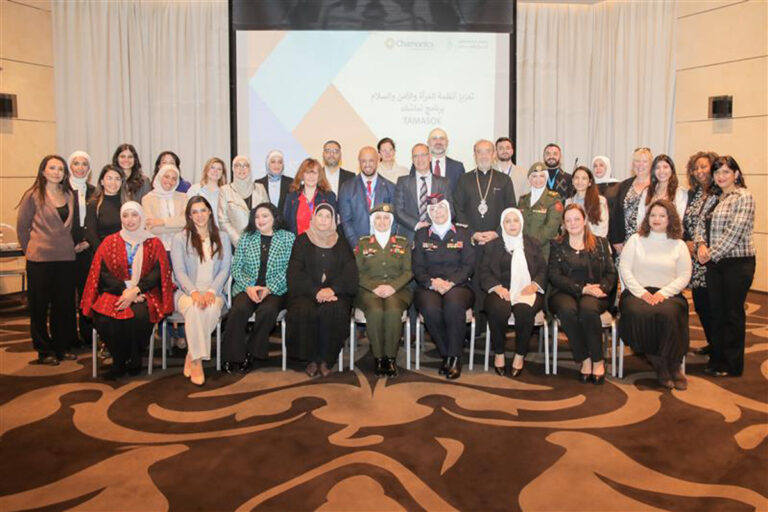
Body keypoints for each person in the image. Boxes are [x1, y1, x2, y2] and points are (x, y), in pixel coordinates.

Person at [80, 202, 174, 379]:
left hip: (145, 293)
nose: (130, 220)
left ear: (141, 217)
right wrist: (125, 291)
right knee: (104, 319)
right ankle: (119, 360)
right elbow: (103, 273)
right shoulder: (110, 242)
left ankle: (135, 358)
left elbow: (157, 273)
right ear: (121, 219)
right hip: (116, 291)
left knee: (139, 317)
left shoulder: (154, 242)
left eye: (134, 215)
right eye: (125, 216)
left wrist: (136, 291)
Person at [619, 200, 691, 390]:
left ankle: (674, 365)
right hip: (637, 292)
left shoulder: (679, 244)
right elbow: (625, 269)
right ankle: (659, 364)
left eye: (662, 215)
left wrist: (664, 293)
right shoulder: (635, 240)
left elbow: (684, 275)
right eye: (653, 215)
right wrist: (642, 292)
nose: (656, 219)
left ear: (670, 219)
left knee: (669, 314)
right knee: (639, 312)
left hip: (668, 294)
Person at [16, 155, 79, 365]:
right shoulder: (33, 195)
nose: (56, 172)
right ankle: (44, 350)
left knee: (63, 305)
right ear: (43, 171)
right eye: (52, 168)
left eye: (60, 169)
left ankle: (61, 347)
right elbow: (22, 228)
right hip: (39, 260)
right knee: (40, 307)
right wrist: (31, 250)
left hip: (65, 258)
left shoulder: (69, 195)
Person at [696, 156, 755, 378]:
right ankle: (717, 359)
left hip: (736, 264)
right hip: (714, 263)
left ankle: (732, 364)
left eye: (726, 172)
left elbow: (734, 232)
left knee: (732, 313)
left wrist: (709, 254)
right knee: (717, 312)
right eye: (717, 172)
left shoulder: (744, 197)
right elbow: (701, 224)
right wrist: (701, 245)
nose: (720, 176)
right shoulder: (714, 197)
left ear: (736, 174)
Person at [286, 204, 358, 377]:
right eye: (320, 215)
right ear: (313, 218)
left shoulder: (341, 242)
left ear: (333, 220)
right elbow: (295, 272)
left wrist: (333, 290)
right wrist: (316, 291)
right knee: (303, 310)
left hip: (335, 294)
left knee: (333, 311)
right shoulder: (302, 241)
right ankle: (310, 359)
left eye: (328, 216)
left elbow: (350, 273)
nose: (324, 220)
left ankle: (326, 359)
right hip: (307, 292)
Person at [548, 204, 617, 384]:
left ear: (584, 220)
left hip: (595, 292)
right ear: (563, 223)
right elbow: (554, 276)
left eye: (577, 219)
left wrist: (601, 288)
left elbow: (611, 273)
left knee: (588, 309)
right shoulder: (557, 244)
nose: (573, 223)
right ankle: (584, 358)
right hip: (565, 291)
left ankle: (598, 360)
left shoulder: (600, 243)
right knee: (566, 310)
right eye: (568, 220)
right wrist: (582, 288)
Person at [222, 202, 295, 373]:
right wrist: (249, 287)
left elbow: (289, 269)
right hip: (248, 288)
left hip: (276, 289)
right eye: (257, 217)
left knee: (267, 311)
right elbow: (236, 268)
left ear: (274, 217)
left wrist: (269, 288)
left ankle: (251, 352)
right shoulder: (246, 237)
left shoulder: (288, 238)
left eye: (265, 216)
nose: (260, 220)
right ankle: (232, 356)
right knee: (238, 310)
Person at [412, 195, 476, 380]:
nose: (437, 212)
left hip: (458, 285)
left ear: (448, 209)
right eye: (432, 209)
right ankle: (447, 353)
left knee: (454, 306)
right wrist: (433, 282)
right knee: (430, 309)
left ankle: (455, 358)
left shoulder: (463, 232)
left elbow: (469, 266)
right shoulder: (422, 235)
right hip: (429, 285)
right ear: (428, 213)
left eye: (440, 207)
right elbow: (417, 268)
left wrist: (451, 283)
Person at [170, 197, 231, 385]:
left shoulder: (223, 237)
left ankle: (191, 354)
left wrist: (211, 291)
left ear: (210, 212)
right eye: (194, 212)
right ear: (189, 216)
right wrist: (194, 292)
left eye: (203, 210)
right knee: (195, 309)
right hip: (186, 293)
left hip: (214, 292)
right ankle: (197, 362)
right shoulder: (180, 239)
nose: (199, 215)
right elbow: (179, 271)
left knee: (210, 309)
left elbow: (225, 269)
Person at [480, 208, 546, 377]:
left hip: (527, 289)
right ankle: (499, 353)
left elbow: (542, 270)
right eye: (507, 221)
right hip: (500, 290)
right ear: (502, 225)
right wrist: (497, 288)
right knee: (498, 309)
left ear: (521, 223)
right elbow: (484, 272)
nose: (512, 224)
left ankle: (520, 355)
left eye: (515, 220)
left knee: (524, 311)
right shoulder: (492, 246)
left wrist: (534, 285)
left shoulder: (533, 244)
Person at [354, 204, 412, 377]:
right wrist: (374, 287)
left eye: (386, 218)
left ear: (391, 221)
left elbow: (408, 271)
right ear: (373, 221)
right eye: (378, 218)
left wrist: (392, 287)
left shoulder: (402, 243)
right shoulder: (363, 243)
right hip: (368, 291)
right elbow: (356, 272)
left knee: (393, 311)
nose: (382, 221)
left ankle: (390, 358)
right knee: (375, 311)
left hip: (397, 290)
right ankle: (379, 358)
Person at [682, 151, 718, 356]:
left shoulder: (719, 193)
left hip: (712, 257)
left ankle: (720, 349)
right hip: (695, 259)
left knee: (715, 305)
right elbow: (686, 221)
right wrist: (687, 240)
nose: (699, 171)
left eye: (703, 167)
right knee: (702, 304)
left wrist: (702, 245)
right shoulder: (693, 194)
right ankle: (713, 343)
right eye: (695, 168)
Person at [453, 139, 517, 245]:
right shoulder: (464, 179)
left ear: (494, 154)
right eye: (479, 152)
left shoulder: (504, 180)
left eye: (488, 151)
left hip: (497, 240)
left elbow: (511, 209)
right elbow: (458, 209)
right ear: (474, 156)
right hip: (470, 239)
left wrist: (497, 233)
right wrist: (472, 233)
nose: (484, 156)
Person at [393, 143, 453, 242]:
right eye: (416, 156)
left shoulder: (443, 182)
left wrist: (433, 225)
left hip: (436, 236)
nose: (420, 159)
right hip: (409, 237)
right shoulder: (403, 182)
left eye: (423, 155)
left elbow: (449, 210)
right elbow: (398, 211)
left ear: (430, 157)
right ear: (412, 159)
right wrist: (417, 225)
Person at [339, 146, 397, 247]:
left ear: (378, 160)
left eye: (371, 161)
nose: (367, 165)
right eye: (363, 161)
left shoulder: (390, 187)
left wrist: (384, 245)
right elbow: (346, 222)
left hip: (384, 248)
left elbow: (395, 220)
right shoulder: (347, 187)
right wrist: (358, 247)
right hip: (356, 247)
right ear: (359, 162)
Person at [68, 150, 96, 346]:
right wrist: (70, 245)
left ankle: (88, 335)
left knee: (87, 292)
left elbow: (96, 221)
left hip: (88, 248)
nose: (80, 168)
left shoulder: (94, 191)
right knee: (66, 295)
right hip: (65, 249)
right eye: (76, 163)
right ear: (70, 167)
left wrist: (87, 241)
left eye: (84, 164)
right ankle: (69, 336)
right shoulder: (62, 189)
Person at [218, 155, 269, 246]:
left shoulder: (260, 188)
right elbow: (223, 221)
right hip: (236, 244)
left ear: (250, 169)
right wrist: (240, 241)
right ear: (233, 169)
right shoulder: (225, 190)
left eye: (245, 165)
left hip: (259, 242)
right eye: (238, 165)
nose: (241, 169)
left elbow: (268, 215)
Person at [610, 147, 652, 254]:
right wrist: (616, 240)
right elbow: (614, 213)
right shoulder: (624, 185)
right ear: (633, 164)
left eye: (644, 161)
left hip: (650, 241)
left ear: (651, 164)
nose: (640, 164)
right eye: (637, 161)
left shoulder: (656, 185)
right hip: (625, 243)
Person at [517, 162, 562, 261]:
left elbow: (551, 228)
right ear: (529, 179)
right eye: (534, 176)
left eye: (542, 176)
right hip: (522, 249)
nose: (538, 180)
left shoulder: (553, 199)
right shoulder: (523, 200)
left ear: (546, 178)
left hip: (542, 251)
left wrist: (532, 244)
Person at [283, 158, 337, 235]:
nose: (311, 176)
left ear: (319, 176)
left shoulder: (329, 196)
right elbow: (286, 224)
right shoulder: (292, 197)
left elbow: (333, 224)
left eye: (314, 173)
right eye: (307, 173)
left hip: (321, 241)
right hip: (297, 241)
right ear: (302, 175)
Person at [141, 164, 188, 252]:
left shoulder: (184, 197)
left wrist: (162, 221)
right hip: (156, 248)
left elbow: (186, 222)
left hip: (181, 247)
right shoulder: (147, 199)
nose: (170, 181)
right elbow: (152, 228)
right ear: (160, 176)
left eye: (174, 178)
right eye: (166, 176)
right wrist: (177, 224)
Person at [84, 165, 128, 251]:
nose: (113, 182)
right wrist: (104, 253)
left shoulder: (128, 203)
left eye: (117, 179)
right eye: (109, 178)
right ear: (102, 182)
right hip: (103, 252)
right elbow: (91, 234)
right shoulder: (94, 204)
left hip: (126, 252)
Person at [409, 128, 465, 192]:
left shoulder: (458, 167)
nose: (438, 142)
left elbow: (461, 193)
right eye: (434, 139)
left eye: (442, 138)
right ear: (428, 143)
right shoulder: (419, 165)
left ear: (447, 143)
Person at [638, 154, 687, 226]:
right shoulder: (647, 191)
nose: (661, 171)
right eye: (657, 168)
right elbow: (640, 219)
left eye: (665, 167)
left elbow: (680, 220)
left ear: (672, 170)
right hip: (648, 232)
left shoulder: (680, 193)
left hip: (670, 232)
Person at [565, 166, 609, 237]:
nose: (580, 181)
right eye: (577, 178)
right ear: (572, 181)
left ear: (590, 182)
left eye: (584, 178)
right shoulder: (568, 202)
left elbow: (602, 230)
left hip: (595, 241)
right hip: (574, 241)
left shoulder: (600, 201)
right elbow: (566, 228)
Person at [187, 157, 227, 224]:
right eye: (212, 167)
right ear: (206, 170)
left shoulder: (226, 192)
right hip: (198, 229)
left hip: (219, 230)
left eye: (219, 169)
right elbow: (188, 212)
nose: (215, 171)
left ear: (222, 173)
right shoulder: (194, 189)